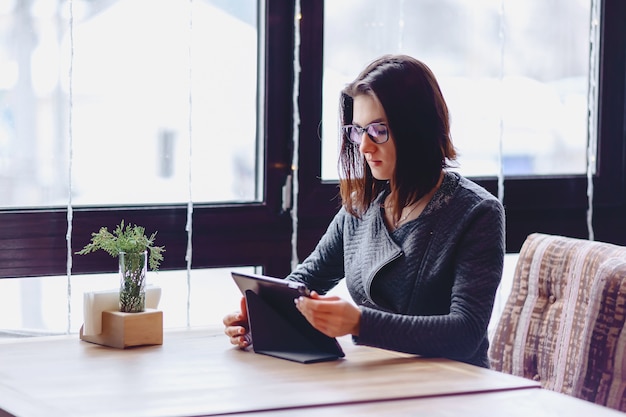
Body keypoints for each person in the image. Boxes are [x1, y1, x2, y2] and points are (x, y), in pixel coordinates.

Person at [223, 54, 505, 368]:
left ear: (417, 129)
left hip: (456, 387)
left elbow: (465, 333)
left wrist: (359, 323)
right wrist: (260, 313)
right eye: (358, 131)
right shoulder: (361, 205)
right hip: (377, 379)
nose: (364, 147)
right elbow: (307, 280)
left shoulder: (477, 213)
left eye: (379, 130)